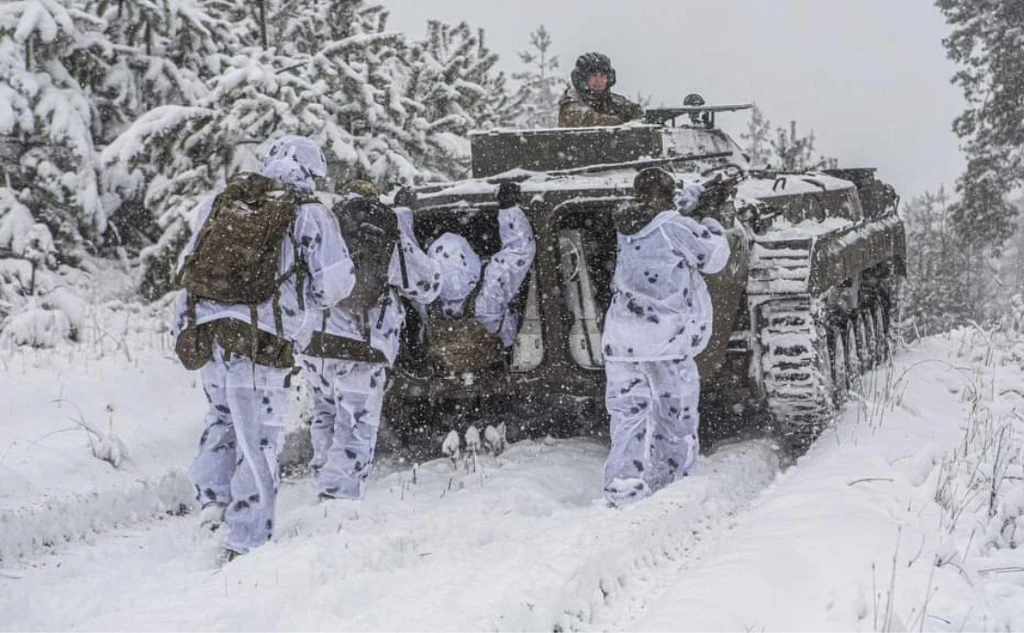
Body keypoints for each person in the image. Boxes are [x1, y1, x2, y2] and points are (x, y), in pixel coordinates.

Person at [172, 135, 353, 560]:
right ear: (311, 172)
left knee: (220, 417)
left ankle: (212, 503)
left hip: (209, 333)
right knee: (259, 440)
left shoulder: (221, 201)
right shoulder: (309, 214)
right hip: (261, 339)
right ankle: (247, 538)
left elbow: (186, 266)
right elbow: (335, 284)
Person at [298, 181, 441, 506]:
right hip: (364, 346)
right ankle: (337, 500)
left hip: (315, 342)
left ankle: (324, 477)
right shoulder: (383, 232)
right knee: (356, 423)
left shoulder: (320, 226)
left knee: (324, 412)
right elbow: (427, 285)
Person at [601, 167, 731, 507]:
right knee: (674, 414)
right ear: (666, 195)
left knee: (627, 416)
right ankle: (671, 485)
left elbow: (657, 220)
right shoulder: (675, 227)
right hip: (664, 339)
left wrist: (689, 204)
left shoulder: (625, 225)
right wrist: (712, 219)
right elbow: (715, 258)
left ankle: (623, 486)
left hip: (621, 339)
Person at [423, 183, 536, 350]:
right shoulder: (490, 289)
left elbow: (405, 268)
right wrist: (508, 208)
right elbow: (520, 250)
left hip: (446, 370)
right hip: (498, 359)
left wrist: (402, 212)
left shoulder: (428, 298)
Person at [558, 52, 644, 128]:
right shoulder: (571, 102)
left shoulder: (613, 101)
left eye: (602, 75)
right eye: (594, 75)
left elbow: (636, 112)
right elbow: (588, 120)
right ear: (583, 78)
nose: (598, 80)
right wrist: (620, 121)